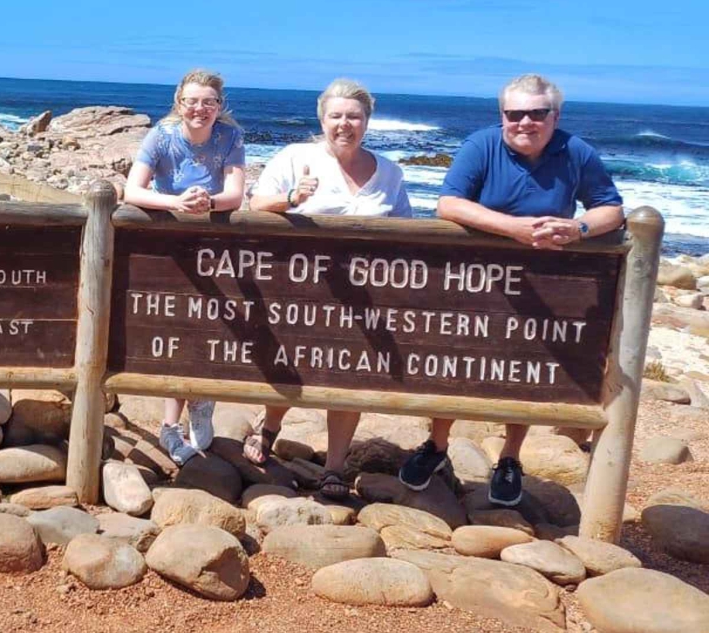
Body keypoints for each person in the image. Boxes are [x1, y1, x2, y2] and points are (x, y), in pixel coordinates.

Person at [398, 74, 624, 507]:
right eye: (514, 113)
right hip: (474, 281)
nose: (525, 122)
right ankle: (438, 446)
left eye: (537, 113)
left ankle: (510, 457)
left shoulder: (576, 152)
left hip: (544, 286)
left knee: (524, 374)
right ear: (501, 115)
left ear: (555, 116)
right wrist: (513, 229)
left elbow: (610, 209)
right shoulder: (481, 146)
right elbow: (448, 203)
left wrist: (578, 228)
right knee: (452, 366)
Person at [247, 78, 412, 497]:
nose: (345, 124)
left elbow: (409, 231)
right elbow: (256, 205)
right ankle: (269, 428)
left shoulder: (389, 172)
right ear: (322, 119)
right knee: (290, 362)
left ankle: (335, 466)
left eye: (354, 116)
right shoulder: (295, 157)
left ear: (367, 122)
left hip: (365, 293)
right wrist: (292, 197)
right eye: (336, 116)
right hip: (301, 287)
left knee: (350, 374)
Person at [123, 68, 245, 465]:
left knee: (212, 324)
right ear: (179, 103)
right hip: (168, 246)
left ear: (219, 106)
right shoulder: (161, 135)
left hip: (214, 247)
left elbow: (235, 194)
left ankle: (202, 399)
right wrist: (177, 204)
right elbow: (132, 189)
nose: (200, 108)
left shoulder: (230, 136)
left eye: (209, 101)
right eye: (192, 101)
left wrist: (205, 203)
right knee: (175, 328)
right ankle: (170, 425)